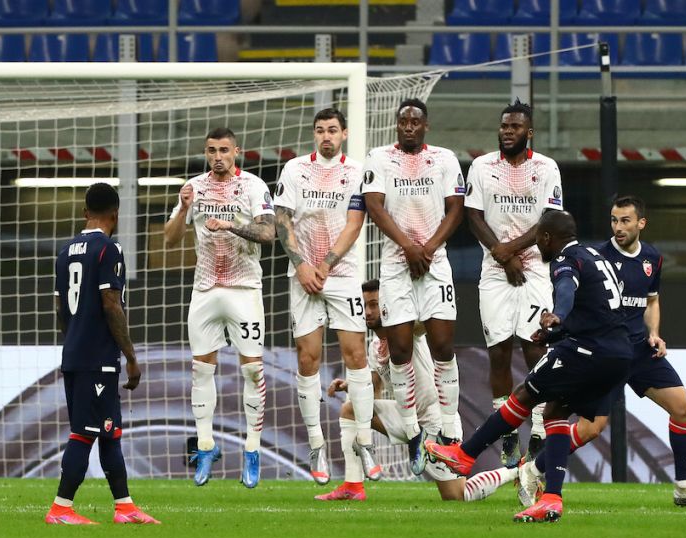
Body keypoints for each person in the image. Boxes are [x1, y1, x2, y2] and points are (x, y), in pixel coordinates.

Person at [427, 211, 633, 523]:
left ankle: (465, 455)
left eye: (538, 241)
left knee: (525, 394)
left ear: (547, 238)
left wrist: (557, 316)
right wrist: (558, 331)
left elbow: (567, 289)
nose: (538, 247)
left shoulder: (565, 260)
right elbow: (598, 308)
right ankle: (551, 499)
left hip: (587, 351)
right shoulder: (595, 255)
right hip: (619, 355)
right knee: (555, 414)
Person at [517, 195, 686, 510]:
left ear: (641, 223)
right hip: (603, 353)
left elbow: (651, 301)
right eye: (614, 220)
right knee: (591, 429)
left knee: (683, 408)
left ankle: (683, 488)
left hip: (638, 350)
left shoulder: (652, 258)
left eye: (625, 220)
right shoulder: (595, 255)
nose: (618, 227)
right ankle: (534, 468)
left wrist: (654, 334)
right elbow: (569, 293)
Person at [316, 280, 518, 502]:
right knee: (351, 409)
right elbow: (374, 387)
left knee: (457, 495)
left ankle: (517, 470)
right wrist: (351, 386)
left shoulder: (407, 332)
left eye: (374, 304)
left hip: (435, 420)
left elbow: (425, 324)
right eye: (364, 305)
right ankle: (352, 486)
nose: (368, 312)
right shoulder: (375, 346)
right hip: (407, 419)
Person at [164, 127, 276, 488]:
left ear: (236, 151)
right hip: (205, 289)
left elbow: (269, 234)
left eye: (224, 150)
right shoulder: (193, 187)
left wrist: (230, 224)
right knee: (200, 370)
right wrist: (183, 208)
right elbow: (170, 238)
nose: (217, 156)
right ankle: (207, 445)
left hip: (244, 288)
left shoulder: (254, 187)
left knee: (253, 372)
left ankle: (252, 450)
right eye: (211, 150)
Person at [273, 108, 377, 486]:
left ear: (344, 134)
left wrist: (327, 264)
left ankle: (365, 441)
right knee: (308, 357)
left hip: (343, 275)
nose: (326, 136)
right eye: (320, 131)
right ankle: (316, 446)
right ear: (314, 135)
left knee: (356, 355)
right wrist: (301, 265)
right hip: (302, 276)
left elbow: (354, 223)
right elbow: (282, 220)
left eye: (332, 130)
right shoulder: (295, 169)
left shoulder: (357, 172)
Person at [362, 98, 466, 475]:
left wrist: (428, 248)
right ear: (396, 124)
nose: (408, 126)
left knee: (442, 346)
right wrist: (408, 247)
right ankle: (412, 433)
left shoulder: (444, 158)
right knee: (400, 350)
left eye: (415, 122)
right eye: (403, 121)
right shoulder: (378, 157)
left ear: (426, 126)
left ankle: (448, 430)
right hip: (395, 266)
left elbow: (457, 208)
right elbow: (375, 205)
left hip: (435, 266)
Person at [47, 183, 158, 525]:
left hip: (77, 353)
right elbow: (112, 303)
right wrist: (131, 356)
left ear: (85, 213)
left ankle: (124, 506)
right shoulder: (108, 249)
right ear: (116, 214)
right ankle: (61, 508)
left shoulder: (65, 252)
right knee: (85, 432)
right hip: (97, 357)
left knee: (110, 431)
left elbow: (59, 306)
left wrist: (77, 337)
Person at [465, 100, 562, 466]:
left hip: (536, 267)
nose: (508, 131)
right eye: (504, 126)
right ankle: (506, 431)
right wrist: (501, 254)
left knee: (535, 348)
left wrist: (513, 250)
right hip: (493, 270)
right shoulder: (481, 166)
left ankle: (537, 427)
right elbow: (472, 216)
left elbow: (550, 220)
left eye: (515, 127)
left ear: (529, 132)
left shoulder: (546, 167)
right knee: (498, 350)